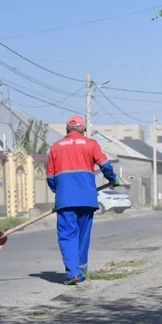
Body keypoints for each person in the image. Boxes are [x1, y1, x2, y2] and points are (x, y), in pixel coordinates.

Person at [47, 115, 120, 285]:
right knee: (83, 234)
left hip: (65, 199)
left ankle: (72, 272)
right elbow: (105, 165)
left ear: (67, 129)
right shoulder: (91, 144)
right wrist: (113, 179)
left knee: (67, 235)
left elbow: (50, 176)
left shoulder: (56, 147)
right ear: (82, 129)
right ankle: (81, 270)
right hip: (87, 198)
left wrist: (59, 192)